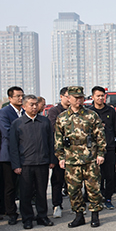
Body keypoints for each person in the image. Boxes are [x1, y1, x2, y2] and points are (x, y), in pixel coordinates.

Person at [55, 86, 107, 228]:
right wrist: (60, 157)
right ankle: (79, 216)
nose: (79, 100)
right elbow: (58, 139)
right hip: (71, 159)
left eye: (81, 97)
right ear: (68, 98)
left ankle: (95, 215)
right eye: (76, 98)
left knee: (93, 188)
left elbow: (100, 136)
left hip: (90, 157)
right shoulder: (62, 118)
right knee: (73, 189)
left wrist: (101, 154)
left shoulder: (92, 115)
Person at [9, 95, 54, 229]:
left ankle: (42, 216)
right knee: (25, 193)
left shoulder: (45, 122)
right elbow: (13, 146)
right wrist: (16, 165)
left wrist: (52, 160)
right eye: (31, 105)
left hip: (42, 162)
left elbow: (51, 142)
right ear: (24, 106)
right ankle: (27, 218)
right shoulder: (18, 123)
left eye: (36, 104)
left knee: (41, 192)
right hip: (25, 164)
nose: (34, 107)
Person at [89, 86, 116, 210]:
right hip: (94, 150)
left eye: (102, 95)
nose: (100, 98)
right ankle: (97, 198)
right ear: (93, 97)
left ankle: (108, 198)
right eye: (98, 96)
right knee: (96, 176)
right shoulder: (90, 112)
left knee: (110, 175)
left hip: (109, 148)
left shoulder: (110, 111)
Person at [0, 86, 24, 225]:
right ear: (10, 98)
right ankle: (11, 212)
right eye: (18, 96)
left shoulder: (25, 112)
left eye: (22, 96)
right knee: (10, 186)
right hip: (8, 155)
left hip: (25, 153)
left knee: (26, 185)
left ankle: (25, 211)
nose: (20, 98)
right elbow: (7, 133)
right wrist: (26, 137)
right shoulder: (3, 113)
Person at [47, 87, 70, 218]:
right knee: (57, 179)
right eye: (67, 96)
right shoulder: (54, 111)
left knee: (74, 180)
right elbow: (55, 130)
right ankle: (57, 205)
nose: (70, 98)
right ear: (61, 96)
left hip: (75, 152)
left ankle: (76, 205)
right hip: (59, 150)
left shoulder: (78, 111)